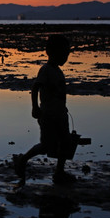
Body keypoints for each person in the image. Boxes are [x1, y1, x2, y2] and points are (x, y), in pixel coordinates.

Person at [13, 34, 76, 186]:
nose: (65, 57)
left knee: (65, 142)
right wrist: (35, 107)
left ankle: (59, 172)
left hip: (61, 114)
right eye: (63, 54)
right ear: (51, 53)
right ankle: (23, 159)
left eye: (67, 54)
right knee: (46, 145)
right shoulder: (46, 70)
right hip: (48, 114)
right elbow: (35, 87)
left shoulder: (58, 71)